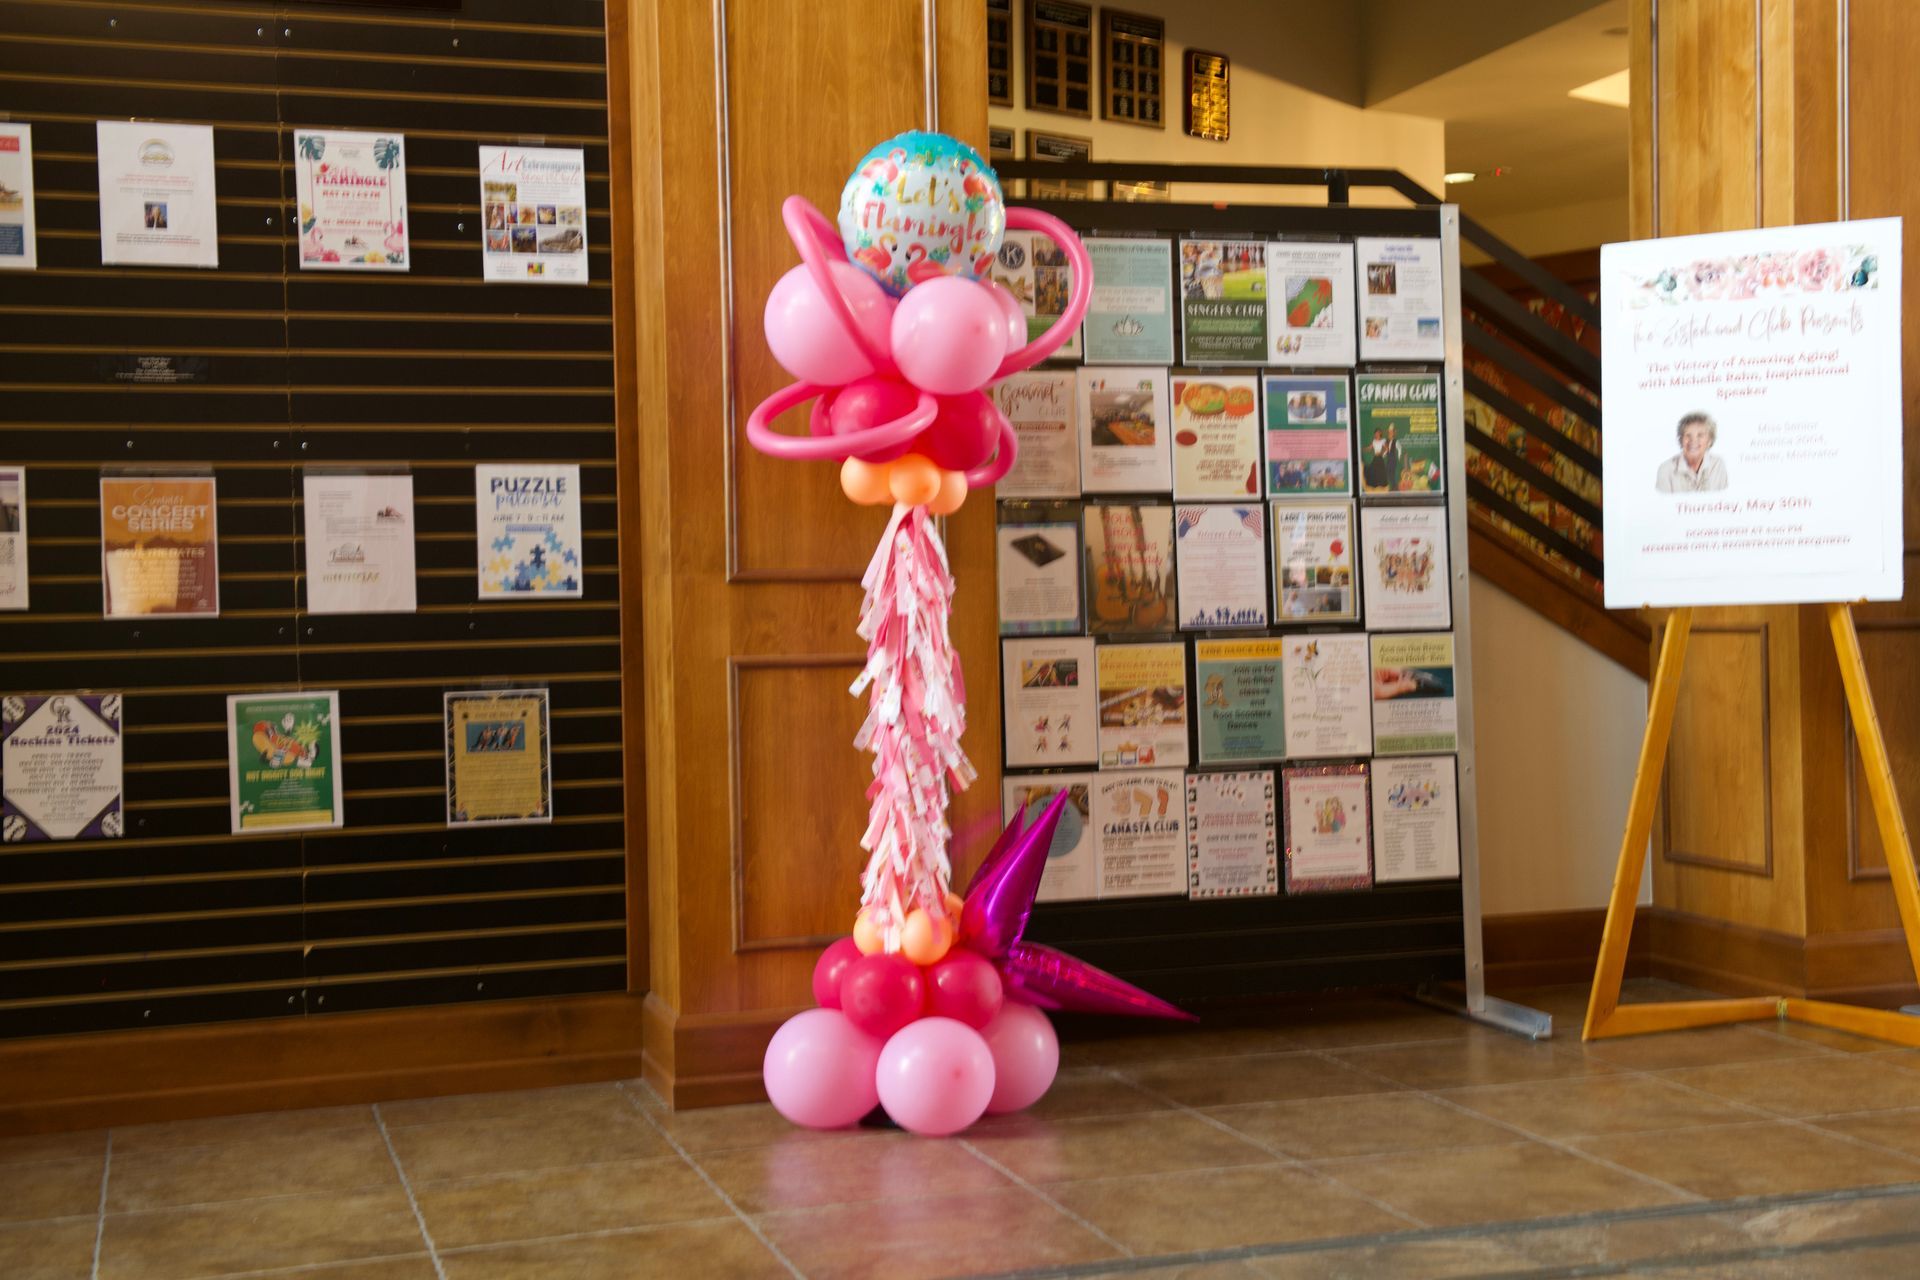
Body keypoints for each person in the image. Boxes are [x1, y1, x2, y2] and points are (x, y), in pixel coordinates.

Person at [1655, 412, 1729, 492]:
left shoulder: (1717, 465)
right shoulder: (1666, 469)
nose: (1693, 441)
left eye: (1700, 435)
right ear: (1681, 439)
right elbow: (1662, 503)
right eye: (1688, 435)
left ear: (1709, 440)